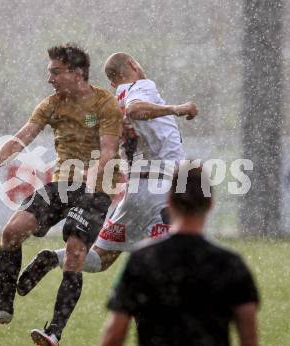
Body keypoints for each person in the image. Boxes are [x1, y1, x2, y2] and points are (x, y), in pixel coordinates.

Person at [0, 43, 123, 346]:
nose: (49, 78)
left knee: (76, 253)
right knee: (11, 232)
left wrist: (91, 175)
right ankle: (4, 305)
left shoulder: (105, 104)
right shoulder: (52, 104)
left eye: (55, 72)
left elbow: (108, 151)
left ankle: (54, 331)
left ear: (77, 73)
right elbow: (21, 137)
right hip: (61, 185)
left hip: (96, 189)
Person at [16, 52, 198, 295]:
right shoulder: (142, 86)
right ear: (133, 65)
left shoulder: (114, 101)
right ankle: (152, 313)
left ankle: (53, 258)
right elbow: (135, 109)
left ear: (112, 82)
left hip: (134, 193)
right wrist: (177, 108)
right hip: (161, 191)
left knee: (101, 258)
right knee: (176, 258)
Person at [100, 162, 260, 346]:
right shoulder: (230, 263)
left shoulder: (142, 259)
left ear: (168, 202)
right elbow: (249, 338)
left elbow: (114, 334)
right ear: (210, 204)